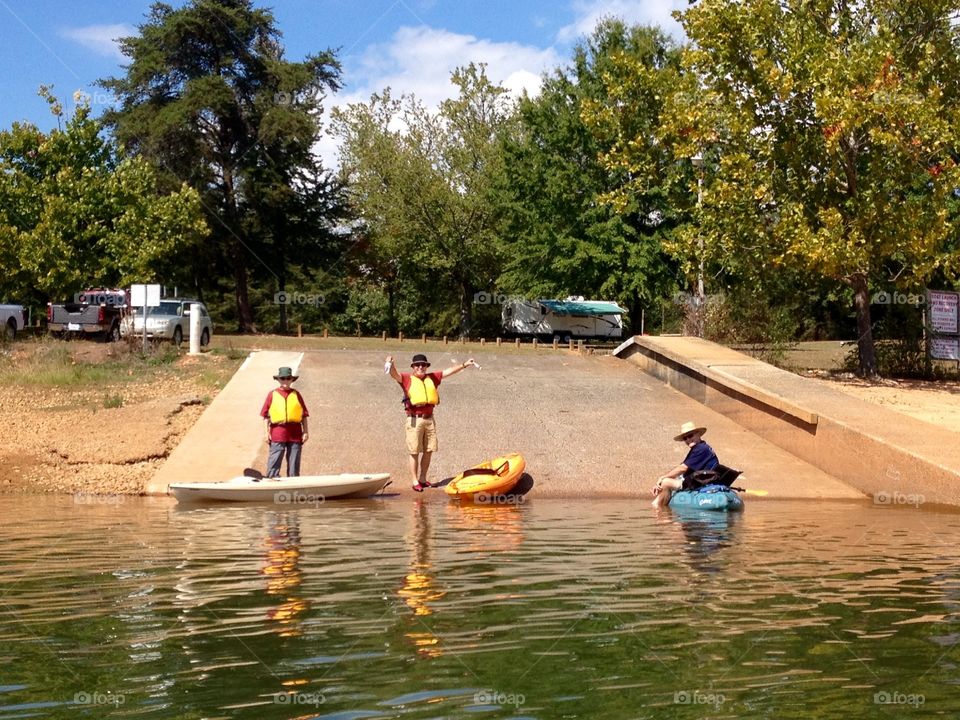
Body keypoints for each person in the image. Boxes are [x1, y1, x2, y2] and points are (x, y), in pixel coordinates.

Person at [386, 353, 477, 491]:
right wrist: (391, 364)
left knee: (429, 450)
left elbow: (449, 371)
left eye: (423, 365)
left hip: (429, 419)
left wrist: (464, 364)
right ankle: (415, 481)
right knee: (414, 451)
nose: (420, 367)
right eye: (417, 365)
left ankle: (423, 479)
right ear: (413, 367)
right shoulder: (406, 378)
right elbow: (394, 374)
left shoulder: (433, 378)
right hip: (414, 420)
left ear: (427, 366)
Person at [652, 421, 719, 508]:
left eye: (690, 436)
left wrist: (662, 478)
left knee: (665, 482)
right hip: (699, 480)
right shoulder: (701, 447)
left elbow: (683, 468)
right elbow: (682, 468)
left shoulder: (700, 449)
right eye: (685, 438)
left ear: (698, 434)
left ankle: (658, 510)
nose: (688, 439)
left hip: (699, 482)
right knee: (666, 480)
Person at [260, 366, 310, 478]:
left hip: (295, 434)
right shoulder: (272, 394)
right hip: (278, 432)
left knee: (294, 463)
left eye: (288, 378)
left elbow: (304, 415)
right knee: (275, 458)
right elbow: (265, 416)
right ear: (278, 380)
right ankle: (272, 479)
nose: (285, 381)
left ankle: (293, 482)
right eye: (282, 378)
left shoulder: (297, 394)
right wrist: (265, 433)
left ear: (292, 380)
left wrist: (305, 432)